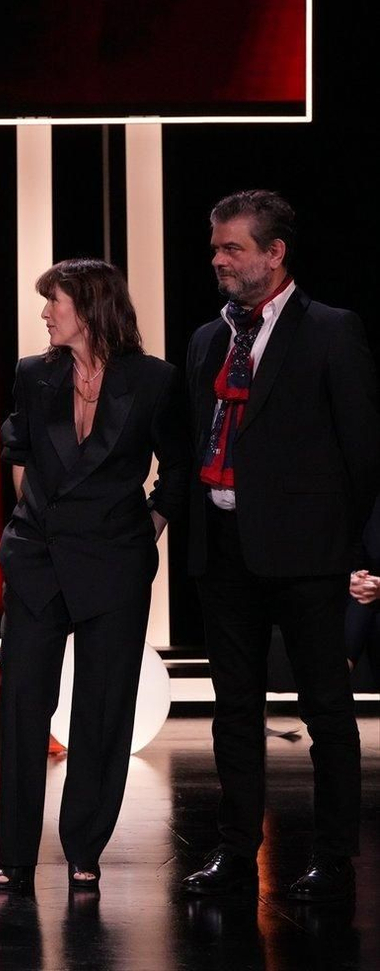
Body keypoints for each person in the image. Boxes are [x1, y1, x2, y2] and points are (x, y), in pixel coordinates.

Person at [179, 190, 378, 902]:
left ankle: (332, 862)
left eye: (232, 248)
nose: (219, 260)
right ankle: (237, 854)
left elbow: (361, 452)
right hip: (225, 552)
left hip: (307, 557)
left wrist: (351, 547)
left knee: (326, 710)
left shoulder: (330, 330)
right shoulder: (208, 338)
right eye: (215, 248)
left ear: (274, 252)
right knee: (235, 710)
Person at [0, 259, 187, 894]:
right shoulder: (33, 374)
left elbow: (179, 469)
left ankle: (84, 848)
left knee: (103, 711)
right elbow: (17, 453)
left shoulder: (154, 381)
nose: (46, 314)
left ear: (93, 309)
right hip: (37, 560)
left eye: (56, 302)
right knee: (22, 709)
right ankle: (16, 854)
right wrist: (35, 517)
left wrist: (145, 527)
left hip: (114, 563)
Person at [345, 498, 380, 679]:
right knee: (362, 601)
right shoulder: (370, 501)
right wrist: (352, 580)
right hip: (367, 593)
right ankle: (334, 687)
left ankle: (331, 695)